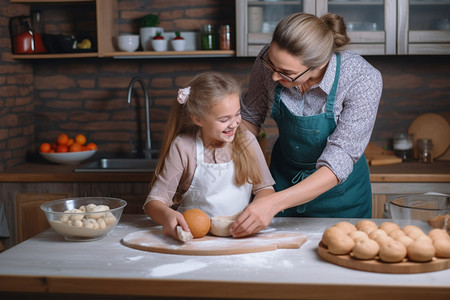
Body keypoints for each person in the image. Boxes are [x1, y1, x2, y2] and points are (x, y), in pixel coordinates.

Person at [230, 13, 382, 238]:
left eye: (286, 73)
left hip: (341, 197)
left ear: (319, 64)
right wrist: (263, 188)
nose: (273, 76)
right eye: (271, 64)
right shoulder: (270, 62)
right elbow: (249, 120)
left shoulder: (362, 78)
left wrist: (273, 203)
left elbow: (340, 157)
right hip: (279, 181)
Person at [144, 72, 275, 241]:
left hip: (239, 239)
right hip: (194, 241)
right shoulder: (184, 147)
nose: (235, 123)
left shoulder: (246, 140)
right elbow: (154, 202)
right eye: (224, 119)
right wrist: (166, 216)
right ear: (198, 119)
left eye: (237, 114)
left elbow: (265, 189)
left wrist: (258, 209)